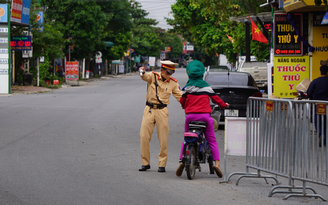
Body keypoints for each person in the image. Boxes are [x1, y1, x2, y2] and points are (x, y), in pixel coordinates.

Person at [176, 60, 229, 178]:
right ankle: (217, 164)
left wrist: (186, 105)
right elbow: (217, 100)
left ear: (189, 74)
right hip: (205, 117)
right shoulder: (207, 88)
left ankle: (181, 161)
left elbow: (182, 103)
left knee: (186, 139)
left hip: (190, 118)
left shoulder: (187, 89)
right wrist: (224, 105)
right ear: (202, 74)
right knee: (212, 141)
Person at [138, 60, 183, 172]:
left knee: (163, 139)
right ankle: (145, 163)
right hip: (149, 109)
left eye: (171, 73)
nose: (169, 75)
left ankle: (162, 164)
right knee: (143, 137)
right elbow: (145, 77)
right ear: (161, 70)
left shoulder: (173, 83)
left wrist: (192, 106)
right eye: (168, 72)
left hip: (162, 111)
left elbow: (181, 98)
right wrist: (142, 72)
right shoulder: (152, 76)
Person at [307, 65, 328, 147]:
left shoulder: (315, 81)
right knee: (326, 122)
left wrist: (313, 99)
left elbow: (309, 93)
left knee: (317, 121)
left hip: (318, 105)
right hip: (327, 104)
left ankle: (320, 133)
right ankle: (325, 140)